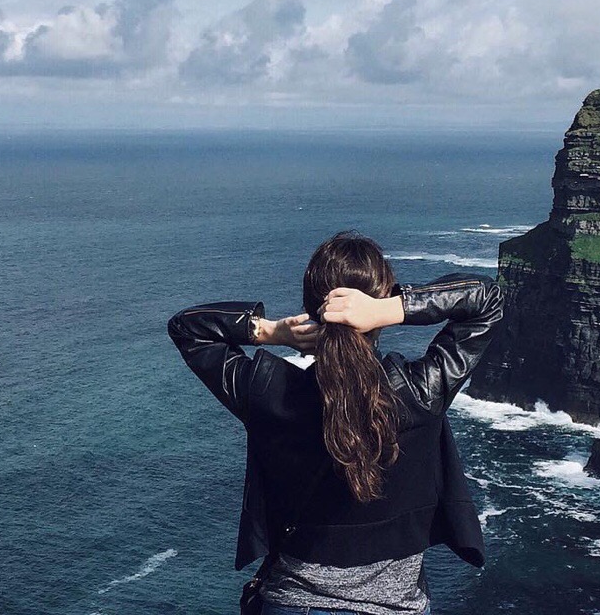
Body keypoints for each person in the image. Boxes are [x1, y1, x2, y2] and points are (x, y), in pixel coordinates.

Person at [168, 231, 503, 614]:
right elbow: (486, 299)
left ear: (312, 310)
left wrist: (272, 332)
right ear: (376, 310)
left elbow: (188, 329)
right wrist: (393, 308)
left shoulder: (269, 395)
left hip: (292, 606)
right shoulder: (417, 393)